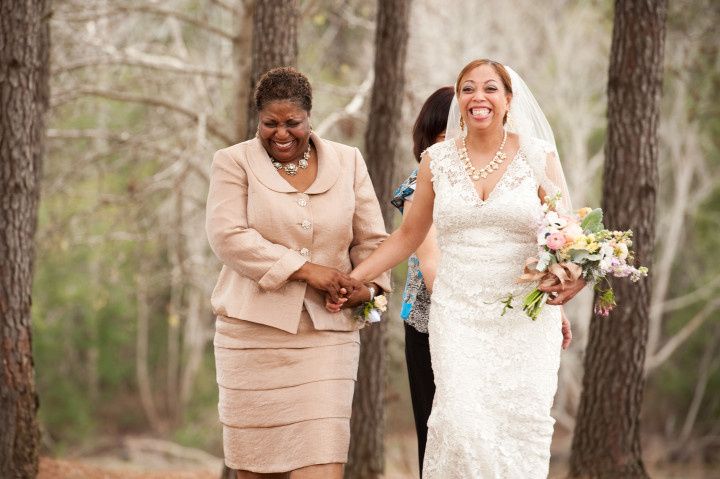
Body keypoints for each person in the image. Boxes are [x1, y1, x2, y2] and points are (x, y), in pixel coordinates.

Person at [331, 59, 584, 477]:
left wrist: (570, 278)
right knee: (460, 424)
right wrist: (352, 278)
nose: (478, 97)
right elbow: (408, 236)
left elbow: (567, 234)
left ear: (508, 100)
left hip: (524, 316)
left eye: (489, 89)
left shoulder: (539, 156)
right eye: (468, 89)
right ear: (459, 99)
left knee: (519, 429)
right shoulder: (437, 160)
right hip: (458, 314)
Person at [206, 67, 391, 479]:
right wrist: (309, 271)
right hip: (251, 337)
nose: (282, 133)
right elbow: (228, 236)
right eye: (270, 123)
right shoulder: (233, 162)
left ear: (309, 117)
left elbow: (372, 242)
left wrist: (368, 289)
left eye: (293, 123)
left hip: (327, 339)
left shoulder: (348, 161)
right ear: (258, 119)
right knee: (256, 470)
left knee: (322, 463)